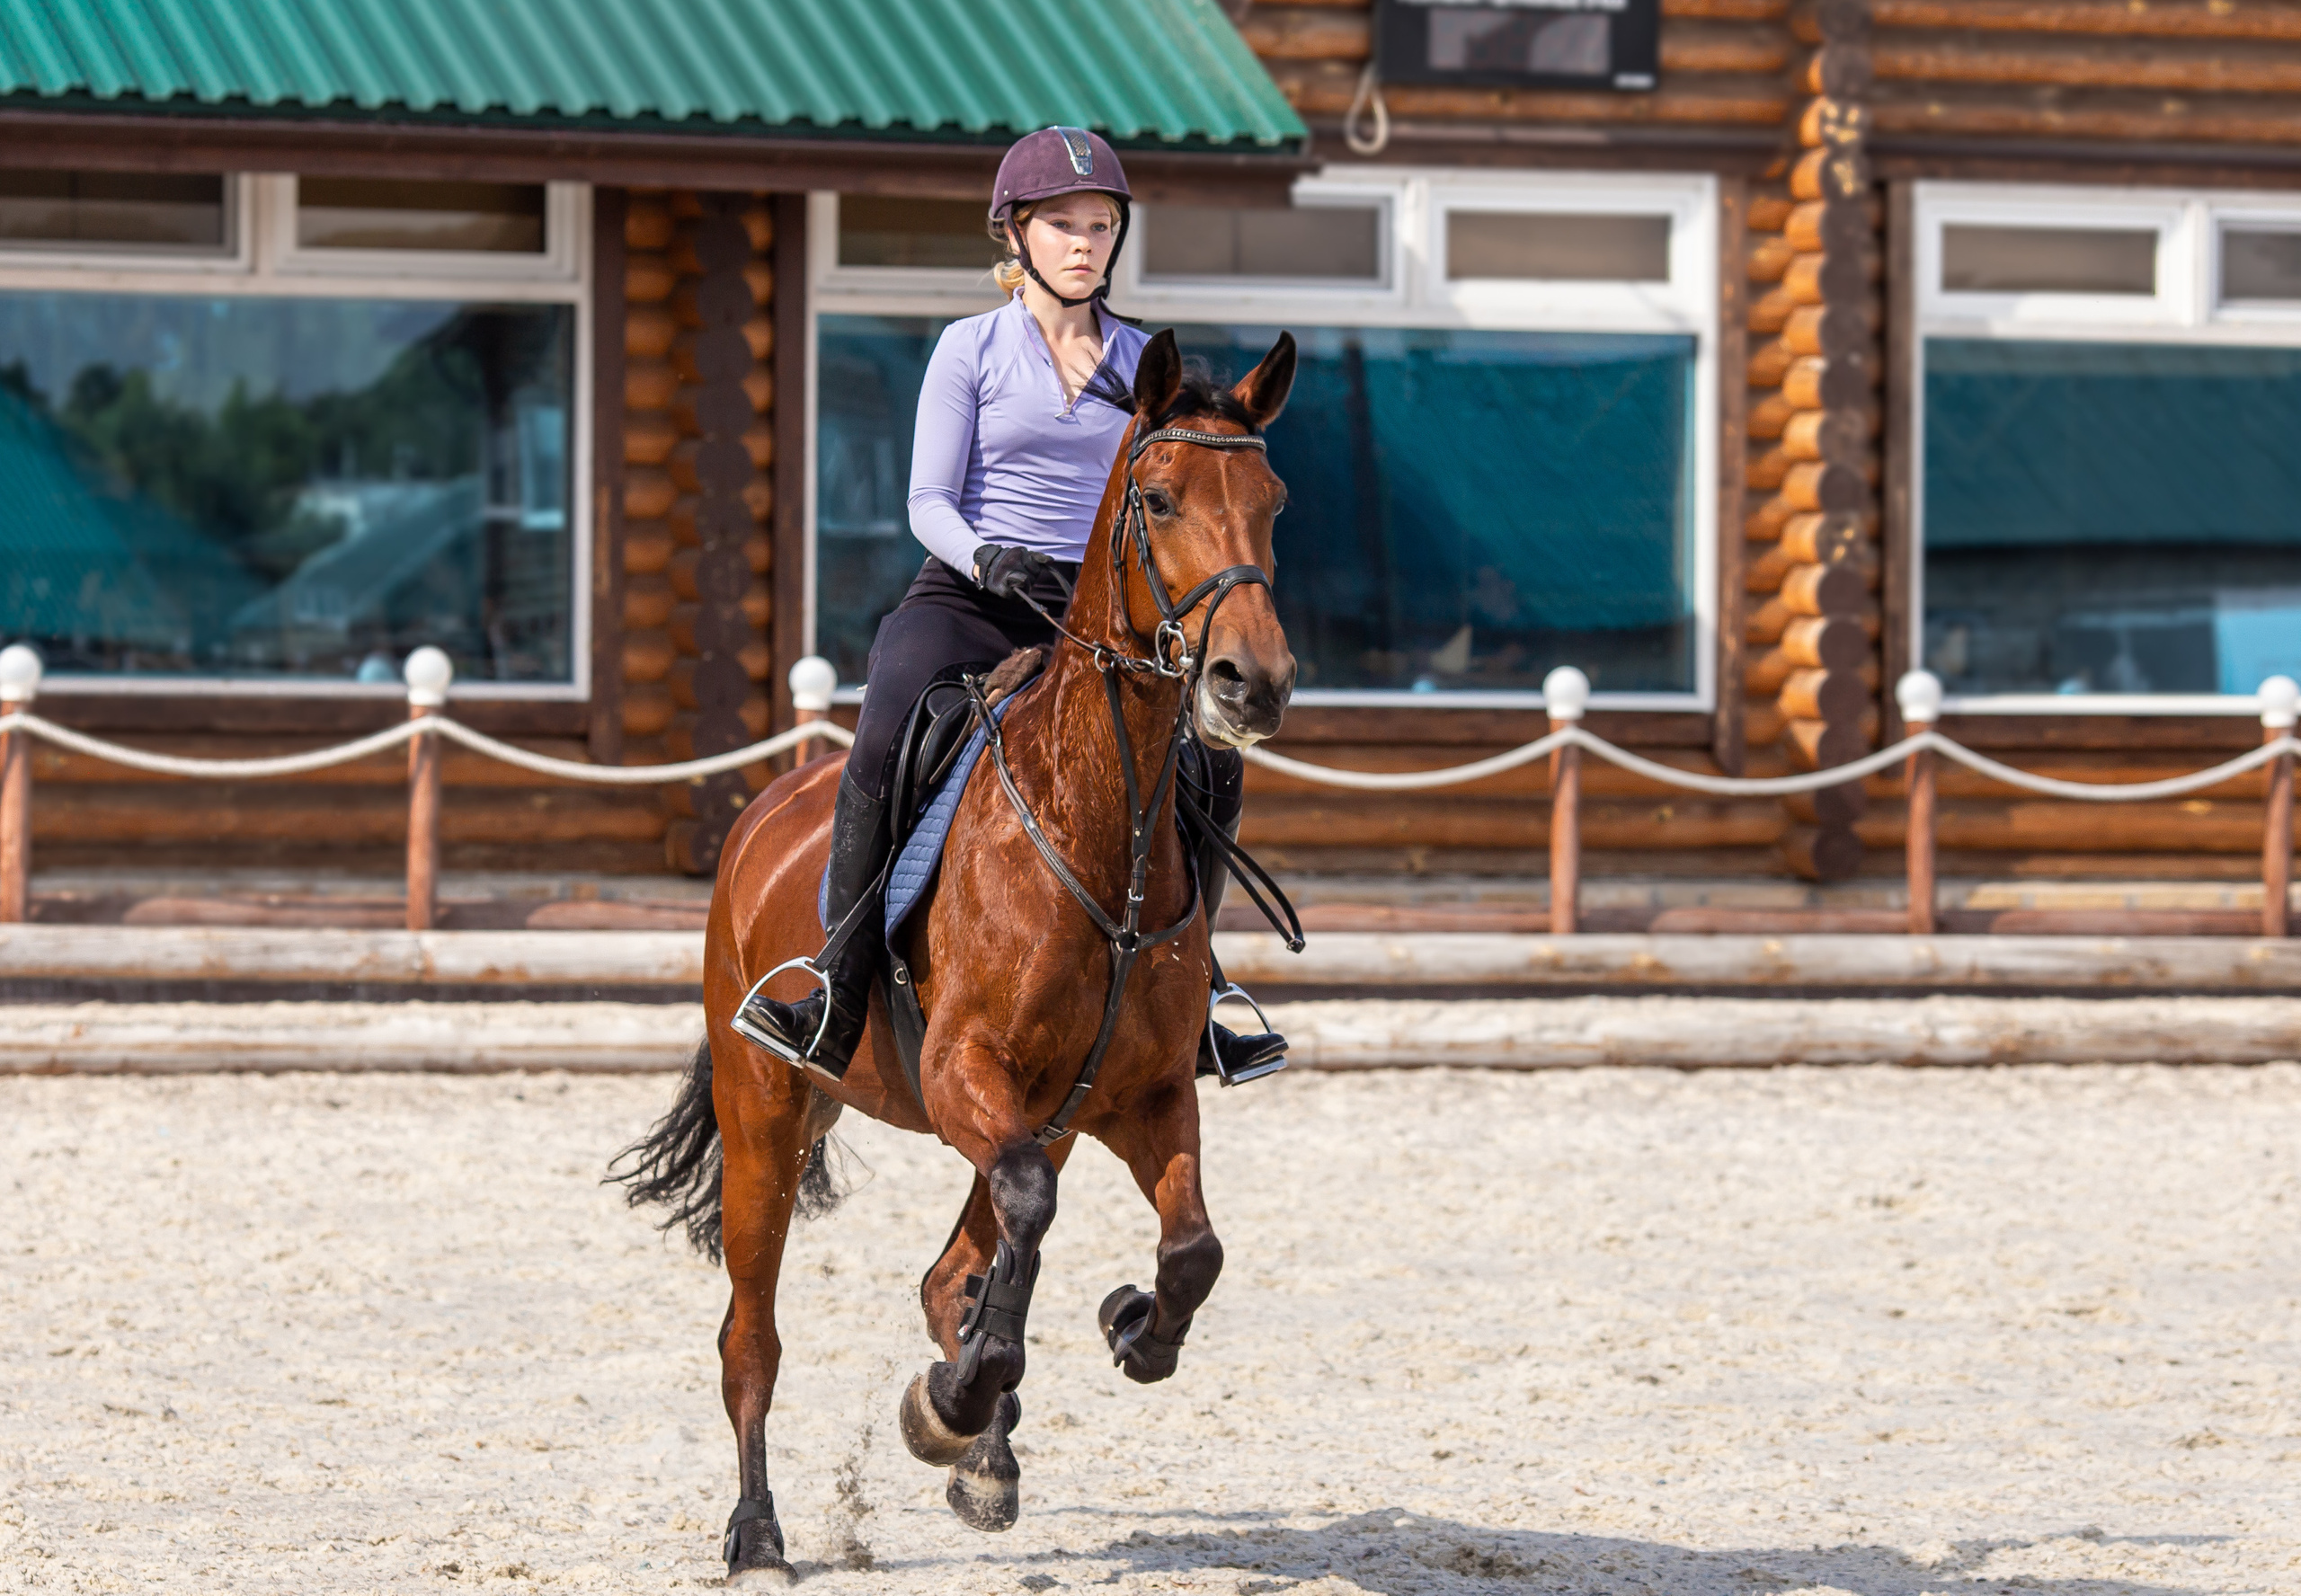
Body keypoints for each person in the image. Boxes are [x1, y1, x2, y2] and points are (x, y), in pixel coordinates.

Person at [737, 125, 1286, 1086]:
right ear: (1017, 235)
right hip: (972, 594)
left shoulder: (1142, 365)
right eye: (1063, 224)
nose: (1084, 243)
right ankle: (836, 981)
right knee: (886, 725)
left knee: (1211, 763)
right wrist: (989, 559)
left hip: (1101, 617)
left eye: (1100, 225)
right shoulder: (970, 349)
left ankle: (1193, 995)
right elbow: (925, 504)